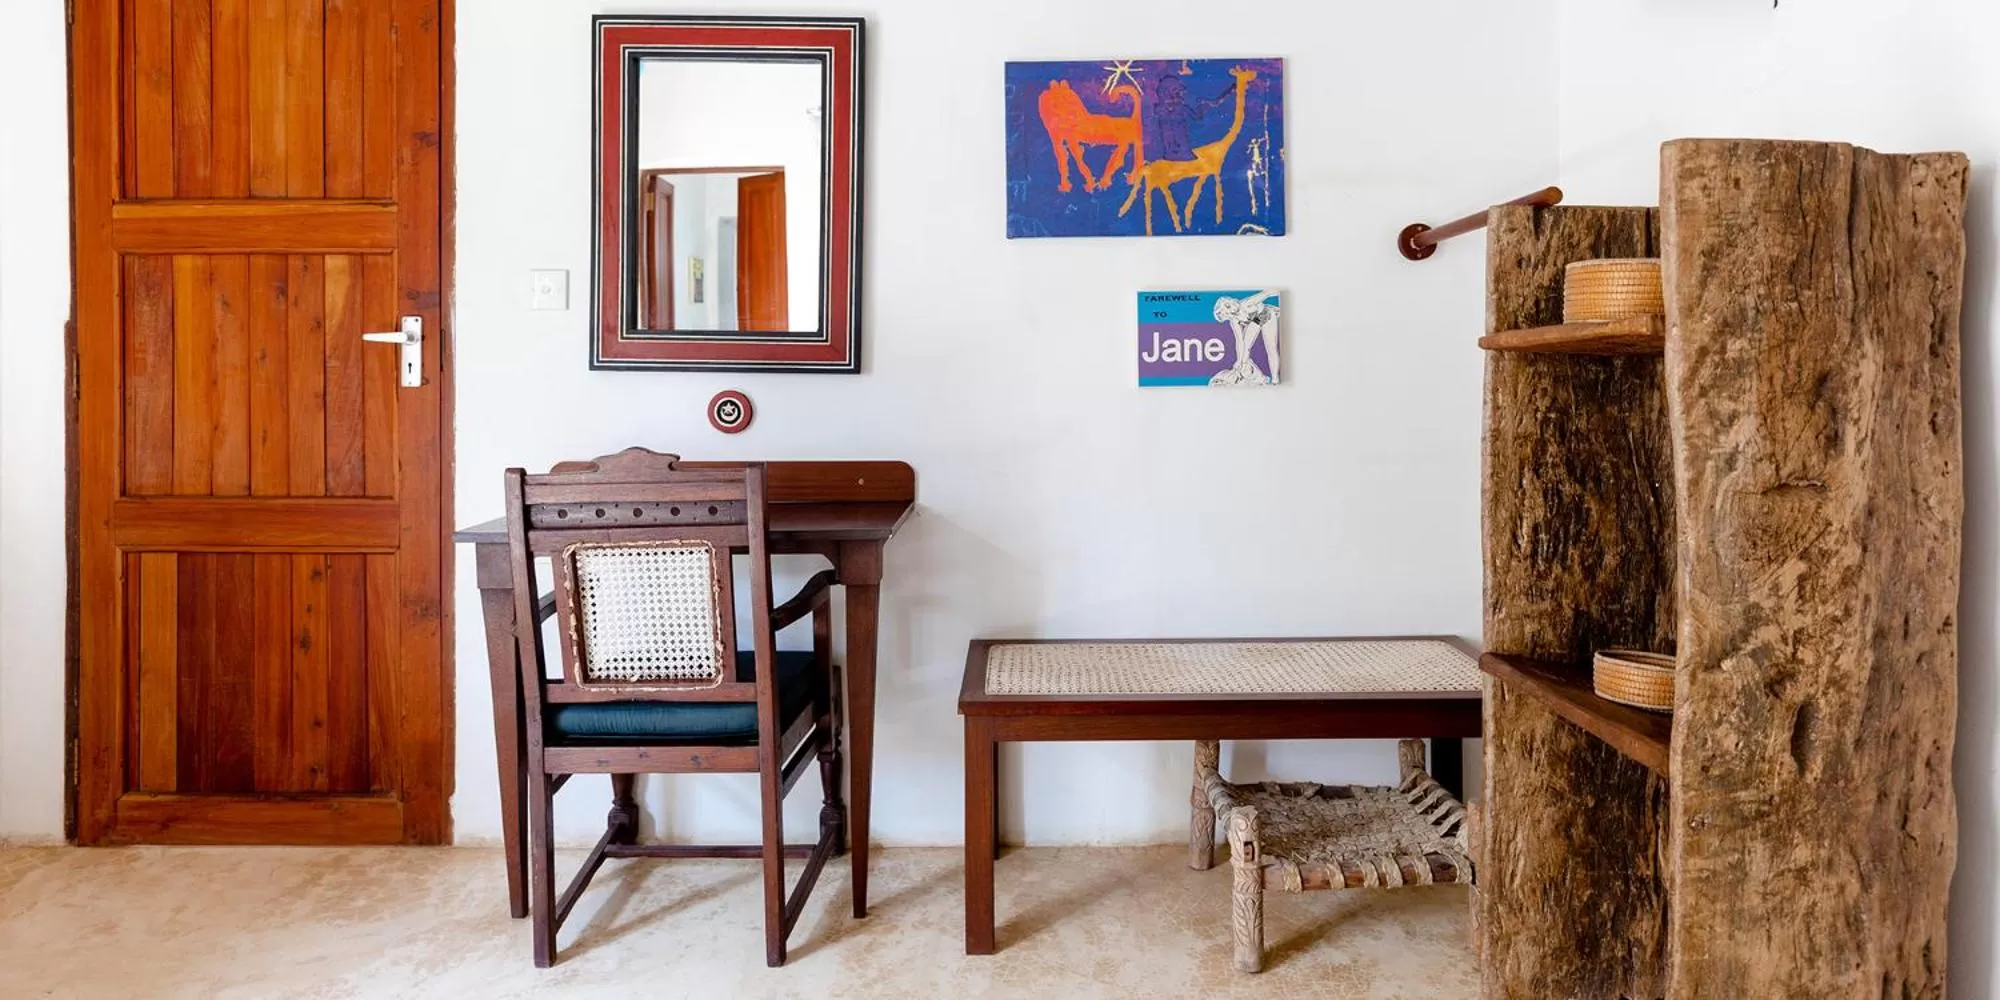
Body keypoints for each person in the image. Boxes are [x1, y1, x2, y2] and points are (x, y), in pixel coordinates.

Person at [1211, 291, 1281, 385]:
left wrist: (1277, 292)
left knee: (1271, 348)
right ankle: (1243, 365)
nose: (1227, 317)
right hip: (1256, 320)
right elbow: (1239, 341)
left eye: (1225, 315)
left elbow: (1265, 294)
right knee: (1245, 345)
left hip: (1266, 314)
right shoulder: (1234, 321)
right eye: (1225, 317)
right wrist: (1239, 361)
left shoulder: (1246, 304)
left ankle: (1275, 379)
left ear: (1227, 307)